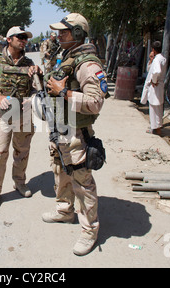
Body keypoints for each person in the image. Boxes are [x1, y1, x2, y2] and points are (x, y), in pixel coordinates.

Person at [43, 13, 107, 256]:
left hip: (77, 133)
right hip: (61, 128)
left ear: (78, 33)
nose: (59, 35)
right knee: (60, 171)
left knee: (82, 181)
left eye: (64, 31)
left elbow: (95, 102)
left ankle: (90, 230)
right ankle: (64, 210)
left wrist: (64, 94)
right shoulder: (68, 57)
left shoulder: (88, 64)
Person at [0, 26, 42, 209]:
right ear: (9, 39)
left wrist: (31, 99)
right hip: (4, 116)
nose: (23, 40)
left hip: (24, 116)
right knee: (0, 153)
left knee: (22, 152)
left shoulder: (30, 63)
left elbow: (37, 89)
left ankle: (19, 182)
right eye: (20, 37)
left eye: (25, 38)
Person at [140, 41, 167, 135]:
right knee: (157, 107)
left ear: (153, 49)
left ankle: (156, 129)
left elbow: (156, 71)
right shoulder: (161, 58)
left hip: (155, 86)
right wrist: (151, 59)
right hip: (159, 86)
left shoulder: (158, 60)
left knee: (154, 107)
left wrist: (154, 81)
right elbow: (150, 69)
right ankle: (156, 127)